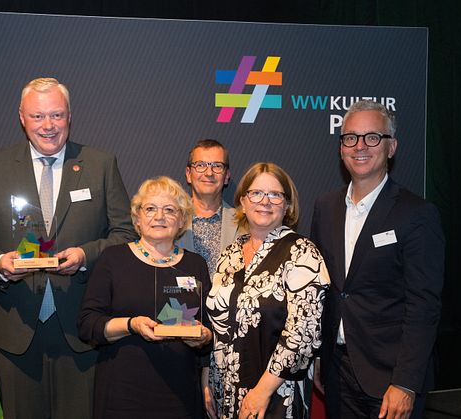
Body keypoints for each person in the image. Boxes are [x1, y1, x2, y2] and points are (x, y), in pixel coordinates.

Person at [0, 77, 136, 419]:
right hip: (15, 328)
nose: (48, 125)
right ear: (21, 117)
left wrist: (85, 256)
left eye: (56, 115)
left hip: (81, 326)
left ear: (69, 116)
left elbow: (124, 233)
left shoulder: (100, 164)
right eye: (38, 116)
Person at [310, 100, 444, 419]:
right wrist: (318, 357)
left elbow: (424, 305)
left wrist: (406, 384)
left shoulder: (417, 214)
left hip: (390, 379)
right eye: (350, 137)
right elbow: (323, 291)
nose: (360, 146)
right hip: (337, 371)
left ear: (391, 146)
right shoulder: (325, 207)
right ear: (341, 147)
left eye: (372, 137)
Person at [78, 176, 213, 418]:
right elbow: (88, 325)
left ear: (182, 219)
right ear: (137, 218)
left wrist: (203, 338)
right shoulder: (113, 259)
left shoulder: (195, 264)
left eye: (169, 210)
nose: (159, 216)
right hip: (122, 393)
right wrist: (132, 325)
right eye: (150, 208)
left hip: (181, 394)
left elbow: (209, 328)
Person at [205, 162, 330, 419]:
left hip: (275, 396)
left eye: (275, 194)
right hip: (224, 394)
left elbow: (303, 334)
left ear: (287, 205)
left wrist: (262, 392)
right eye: (256, 193)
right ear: (243, 201)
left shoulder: (302, 252)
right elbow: (216, 325)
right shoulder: (229, 255)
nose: (265, 201)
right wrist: (207, 379)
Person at [177, 139, 241, 275]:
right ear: (188, 174)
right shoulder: (171, 220)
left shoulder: (244, 224)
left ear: (226, 176)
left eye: (217, 166)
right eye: (200, 165)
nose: (209, 173)